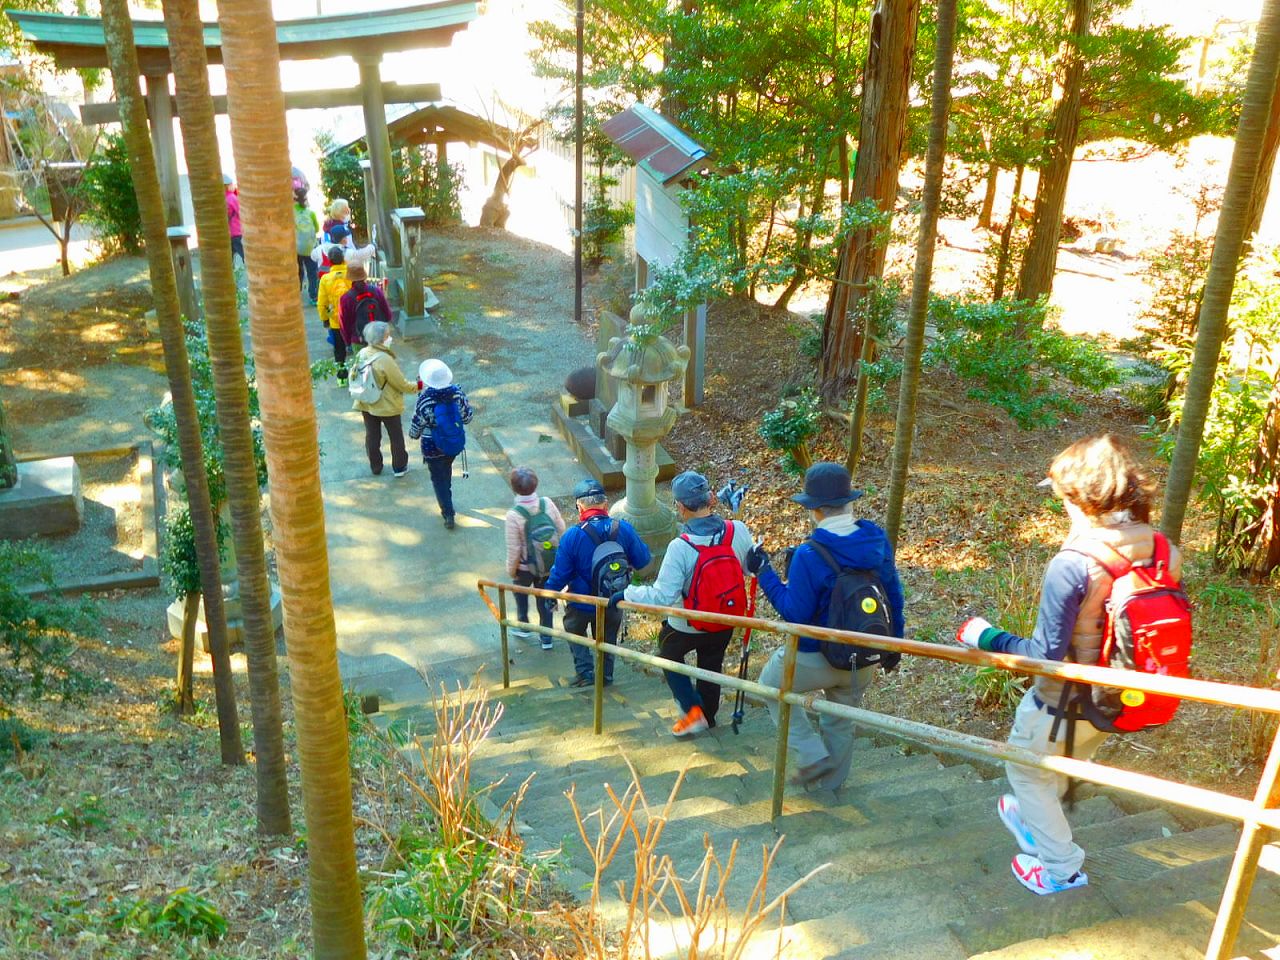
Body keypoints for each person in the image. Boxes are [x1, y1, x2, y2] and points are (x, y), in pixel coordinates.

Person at [953, 434, 1181, 897]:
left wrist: (986, 637)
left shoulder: (1075, 562)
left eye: (1062, 497)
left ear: (1079, 497)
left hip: (1061, 703)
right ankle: (1037, 822)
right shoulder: (1162, 548)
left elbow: (1045, 655)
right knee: (1056, 769)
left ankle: (1062, 869)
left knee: (1025, 770)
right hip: (1117, 697)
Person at [747, 462, 905, 790]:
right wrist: (894, 648)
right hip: (863, 655)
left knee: (769, 686)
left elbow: (796, 614)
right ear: (850, 502)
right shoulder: (878, 542)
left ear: (816, 510)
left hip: (813, 658)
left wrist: (764, 573)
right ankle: (832, 791)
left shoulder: (810, 553)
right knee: (840, 721)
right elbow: (894, 599)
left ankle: (813, 756)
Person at [617, 471, 753, 737]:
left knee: (668, 657)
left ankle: (693, 711)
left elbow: (662, 596)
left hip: (686, 624)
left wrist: (627, 593)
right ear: (711, 498)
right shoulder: (737, 530)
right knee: (711, 666)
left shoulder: (680, 546)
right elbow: (749, 569)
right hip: (725, 620)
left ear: (680, 507)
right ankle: (708, 718)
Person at [543, 479, 651, 688]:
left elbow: (560, 574)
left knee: (574, 630)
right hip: (613, 600)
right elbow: (644, 560)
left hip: (581, 602)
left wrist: (550, 595)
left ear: (579, 506)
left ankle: (585, 673)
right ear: (605, 503)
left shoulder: (572, 536)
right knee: (607, 638)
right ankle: (606, 676)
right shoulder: (624, 529)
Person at [504, 466, 566, 649]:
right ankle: (546, 637)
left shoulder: (514, 515)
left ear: (514, 488)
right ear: (535, 484)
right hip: (548, 564)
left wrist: (511, 570)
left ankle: (523, 624)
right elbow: (561, 528)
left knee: (521, 593)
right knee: (544, 597)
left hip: (525, 568)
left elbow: (514, 548)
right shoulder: (547, 503)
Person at [408, 360, 474, 528]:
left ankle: (448, 513)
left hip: (432, 446)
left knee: (438, 479)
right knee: (446, 470)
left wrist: (413, 435)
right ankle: (447, 495)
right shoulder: (457, 393)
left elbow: (417, 424)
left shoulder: (425, 400)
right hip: (452, 444)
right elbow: (467, 417)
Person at [350, 321, 419, 477]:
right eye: (388, 335)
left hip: (366, 402)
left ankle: (376, 466)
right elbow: (402, 384)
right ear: (381, 339)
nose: (390, 338)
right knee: (395, 437)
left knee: (372, 436)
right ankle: (399, 467)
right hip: (387, 405)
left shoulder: (362, 354)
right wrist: (419, 385)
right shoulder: (384, 359)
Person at [317, 246, 353, 384]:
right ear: (343, 259)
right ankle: (361, 377)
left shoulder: (325, 279)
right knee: (358, 349)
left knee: (339, 350)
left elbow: (322, 303)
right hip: (353, 320)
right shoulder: (350, 274)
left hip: (336, 321)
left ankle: (342, 378)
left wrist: (324, 318)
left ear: (330, 262)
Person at [339, 263, 392, 349]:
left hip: (359, 339)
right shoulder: (377, 291)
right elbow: (388, 315)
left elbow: (344, 324)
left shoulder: (345, 298)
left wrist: (348, 341)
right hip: (380, 337)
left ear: (350, 279)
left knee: (363, 362)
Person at [293, 187, 320, 303]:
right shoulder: (311, 213)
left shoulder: (291, 212)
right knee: (312, 272)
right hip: (310, 247)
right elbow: (317, 229)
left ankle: (297, 291)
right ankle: (313, 295)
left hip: (296, 248)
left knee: (298, 270)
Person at [224, 175, 243, 263]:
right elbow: (241, 213)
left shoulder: (222, 198)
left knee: (228, 258)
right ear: (227, 186)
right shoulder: (232, 198)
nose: (233, 185)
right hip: (237, 232)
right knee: (244, 255)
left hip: (228, 233)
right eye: (231, 184)